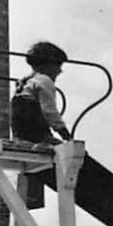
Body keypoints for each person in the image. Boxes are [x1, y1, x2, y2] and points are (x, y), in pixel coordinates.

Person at [11, 40, 71, 207]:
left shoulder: (24, 82)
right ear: (48, 65)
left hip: (21, 131)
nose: (60, 70)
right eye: (58, 65)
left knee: (39, 156)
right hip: (35, 131)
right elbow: (50, 112)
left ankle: (31, 197)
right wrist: (67, 136)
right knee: (62, 152)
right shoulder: (44, 81)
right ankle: (34, 196)